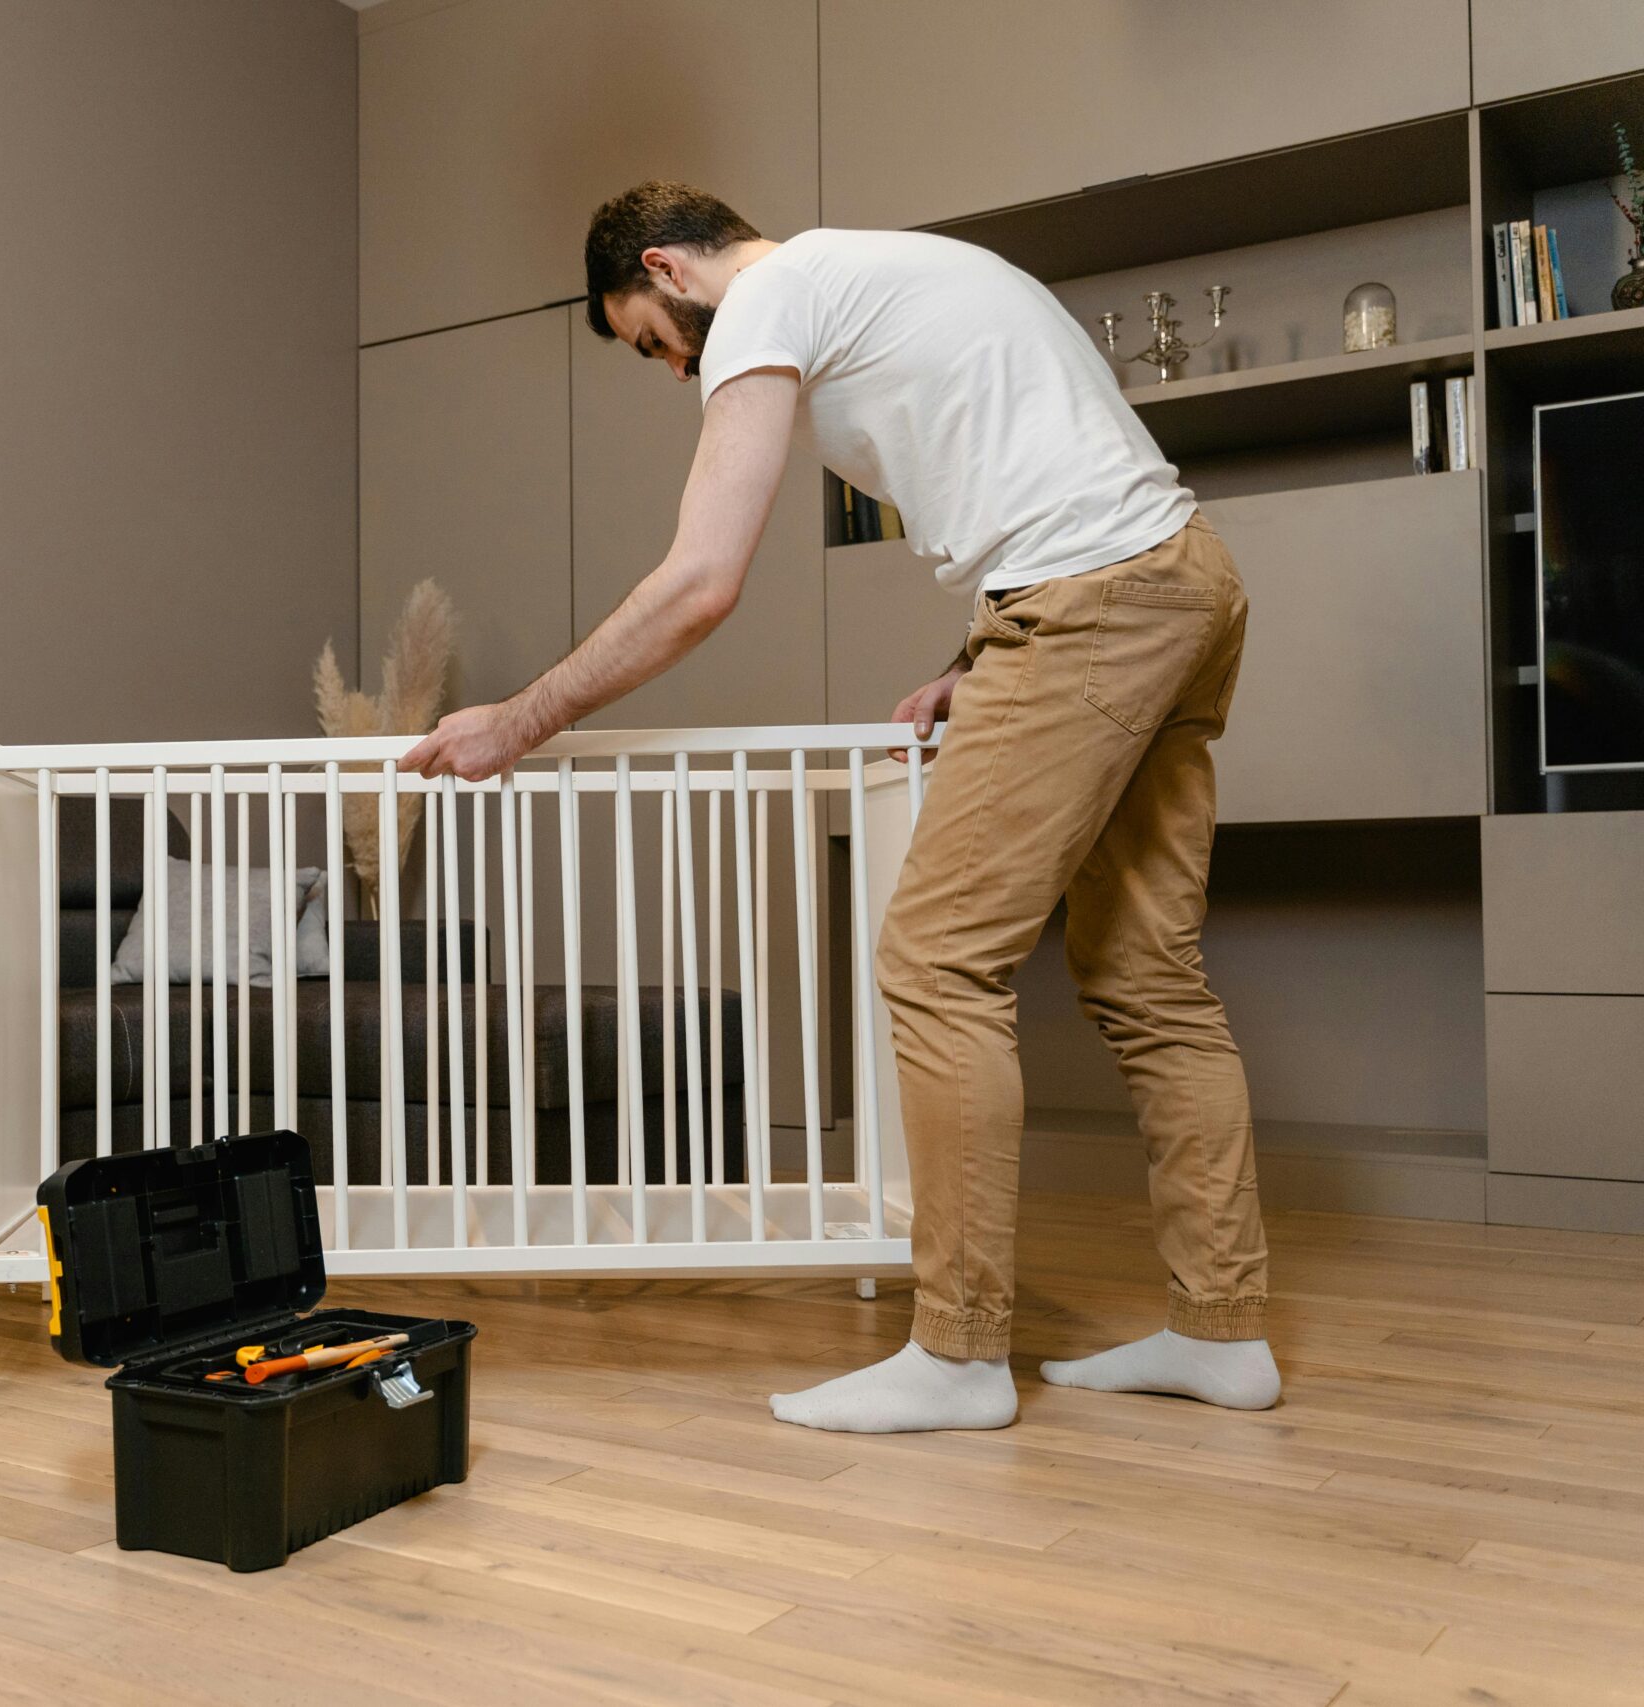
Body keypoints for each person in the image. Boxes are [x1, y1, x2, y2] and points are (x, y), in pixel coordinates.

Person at [399, 182, 1279, 1433]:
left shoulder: (764, 298)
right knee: (1148, 974)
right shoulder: (885, 271)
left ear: (668, 269)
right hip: (1179, 583)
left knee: (933, 961)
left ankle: (959, 1353)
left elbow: (702, 581)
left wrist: (517, 719)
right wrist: (985, 657)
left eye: (654, 340)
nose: (672, 368)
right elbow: (1033, 460)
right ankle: (1221, 1331)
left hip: (1091, 600)